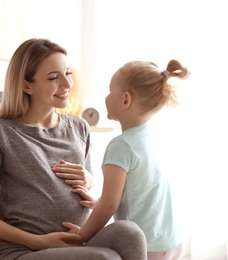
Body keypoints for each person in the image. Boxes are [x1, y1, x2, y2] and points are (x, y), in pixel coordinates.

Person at [0, 38, 147, 260]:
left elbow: (84, 194)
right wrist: (36, 240)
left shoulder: (79, 127)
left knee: (130, 233)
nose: (67, 84)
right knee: (104, 258)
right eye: (54, 78)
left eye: (67, 73)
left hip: (78, 242)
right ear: (27, 85)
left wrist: (89, 179)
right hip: (24, 251)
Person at [64, 60, 190, 260]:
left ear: (125, 100)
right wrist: (98, 202)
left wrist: (80, 235)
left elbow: (109, 206)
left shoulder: (121, 146)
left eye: (109, 90)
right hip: (174, 241)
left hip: (147, 246)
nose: (106, 96)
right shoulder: (151, 136)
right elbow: (140, 191)